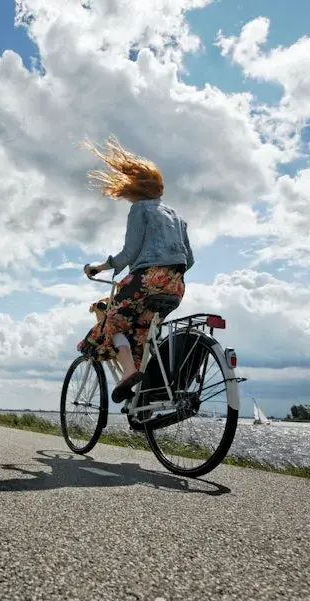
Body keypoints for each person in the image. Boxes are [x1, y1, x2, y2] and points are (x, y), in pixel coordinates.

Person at [77, 137, 194, 404]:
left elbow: (127, 255)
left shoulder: (140, 210)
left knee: (111, 316)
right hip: (175, 285)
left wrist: (98, 267)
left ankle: (128, 372)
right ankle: (143, 400)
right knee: (141, 334)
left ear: (134, 188)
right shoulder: (177, 216)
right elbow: (190, 259)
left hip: (146, 281)